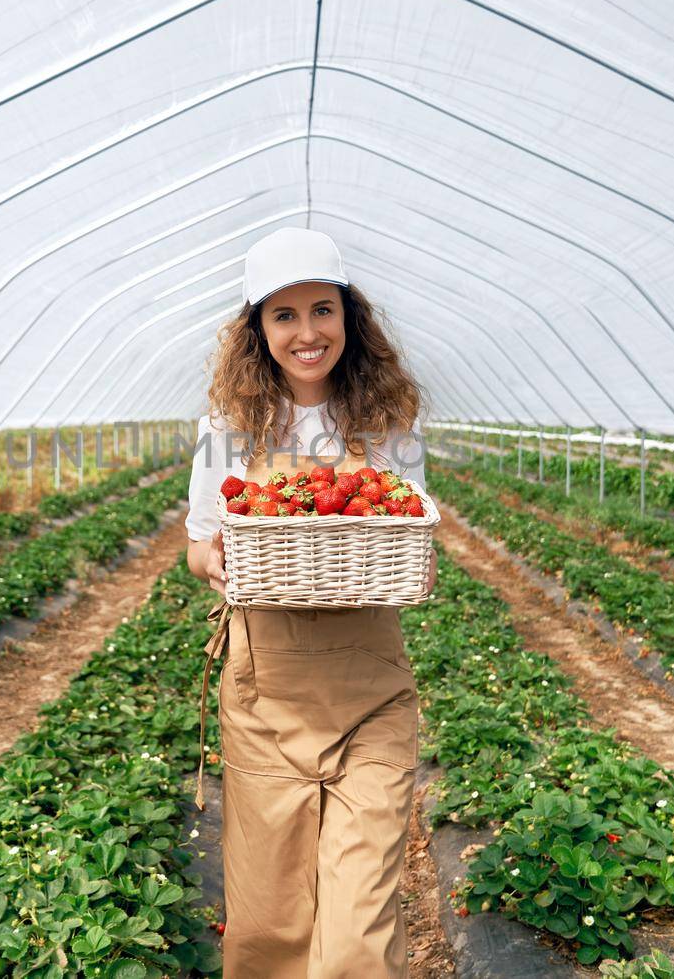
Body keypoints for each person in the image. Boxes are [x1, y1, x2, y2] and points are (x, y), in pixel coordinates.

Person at [184, 226, 434, 978]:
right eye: (283, 316)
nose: (306, 332)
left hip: (369, 694)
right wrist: (221, 562)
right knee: (271, 924)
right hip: (266, 695)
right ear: (257, 331)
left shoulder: (388, 424)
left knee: (360, 921)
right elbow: (201, 544)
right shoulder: (225, 433)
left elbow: (413, 520)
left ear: (349, 317)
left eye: (321, 310)